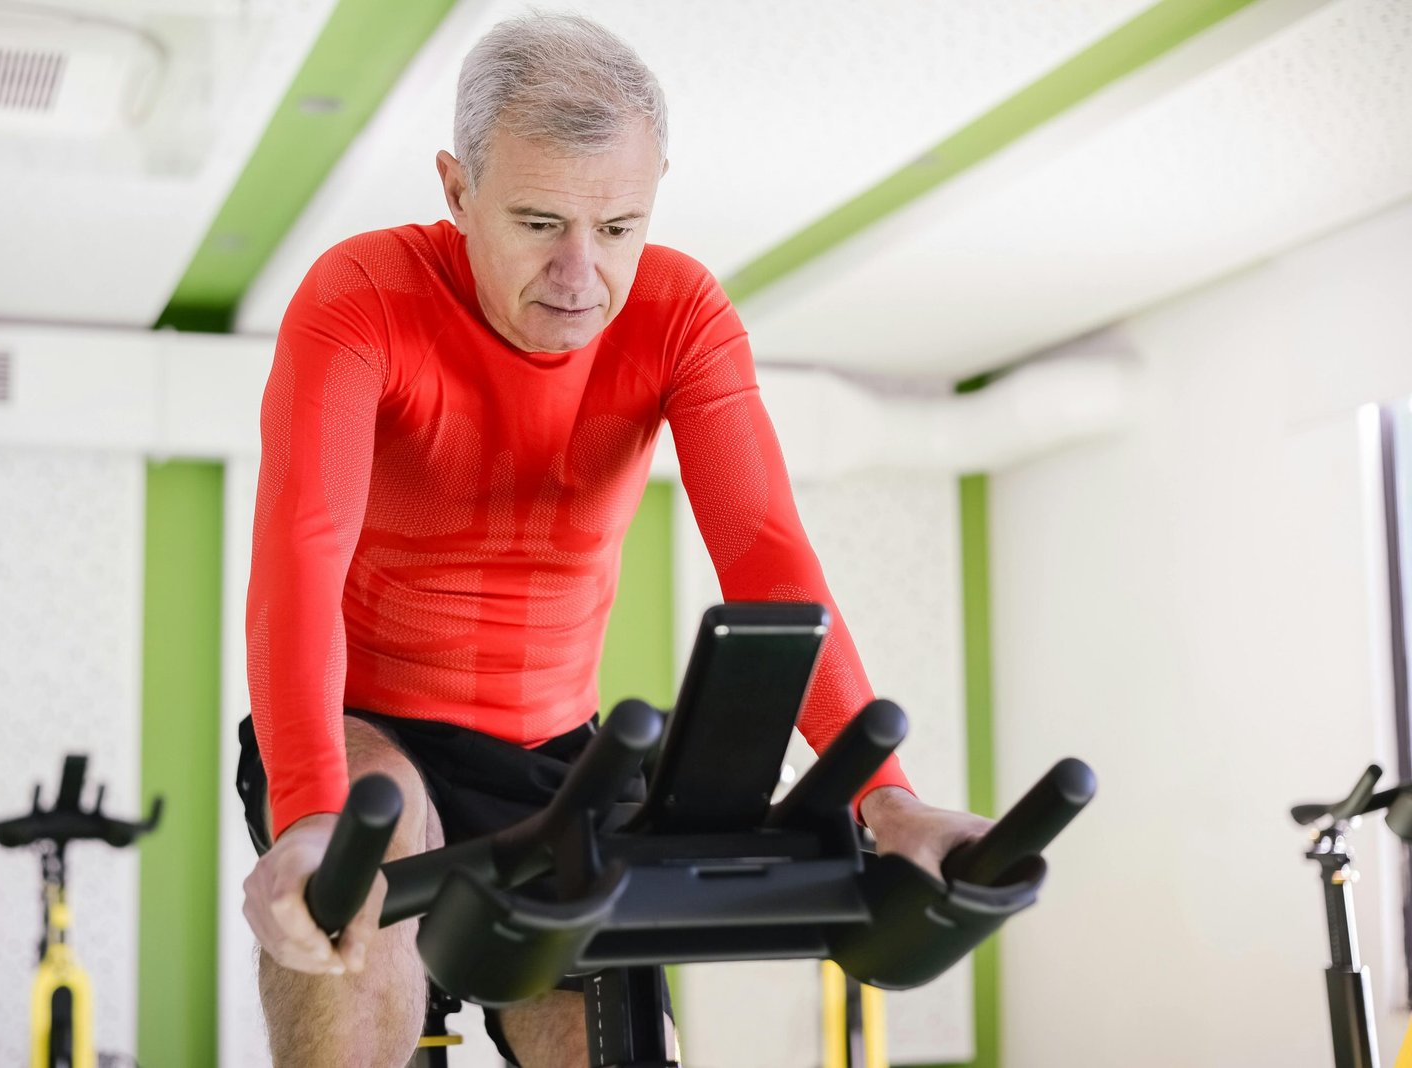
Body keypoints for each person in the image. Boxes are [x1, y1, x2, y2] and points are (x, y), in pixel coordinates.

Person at [237, 13, 991, 1068]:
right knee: (380, 820)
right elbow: (300, 558)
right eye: (539, 222)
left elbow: (769, 555)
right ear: (457, 192)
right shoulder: (362, 296)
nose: (581, 275)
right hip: (366, 731)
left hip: (559, 768)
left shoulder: (680, 311)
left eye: (621, 226)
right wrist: (312, 814)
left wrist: (888, 800)